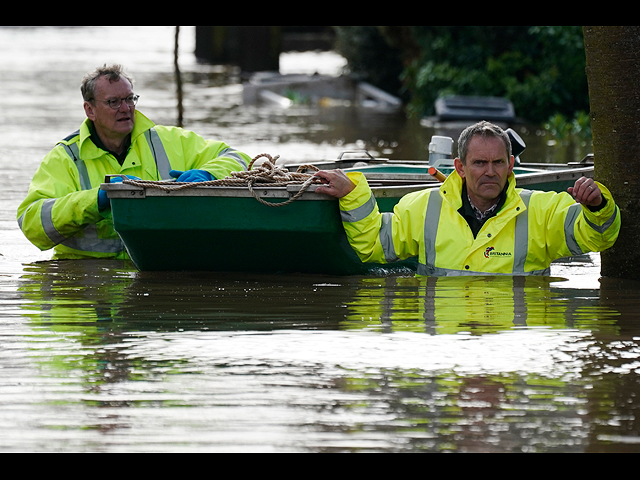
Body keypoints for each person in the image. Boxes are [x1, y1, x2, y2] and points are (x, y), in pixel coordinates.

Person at [315, 121, 621, 276]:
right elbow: (374, 244)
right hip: (450, 349)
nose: (490, 172)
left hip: (512, 349)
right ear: (460, 167)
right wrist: (352, 193)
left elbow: (599, 238)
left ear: (510, 165)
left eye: (498, 163)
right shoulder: (423, 207)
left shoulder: (542, 209)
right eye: (479, 163)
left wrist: (597, 205)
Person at [17, 64, 251, 260]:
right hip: (88, 286)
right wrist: (96, 201)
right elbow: (32, 223)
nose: (126, 109)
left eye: (130, 99)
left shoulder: (169, 140)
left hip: (159, 270)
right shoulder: (66, 158)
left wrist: (209, 175)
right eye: (113, 102)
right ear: (90, 110)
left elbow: (241, 159)